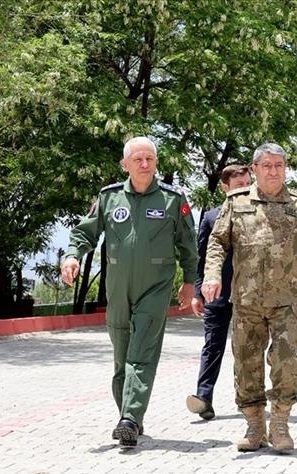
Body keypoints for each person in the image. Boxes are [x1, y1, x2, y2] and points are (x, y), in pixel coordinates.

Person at [60, 136, 198, 449]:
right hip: (118, 288)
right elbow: (85, 232)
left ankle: (130, 418)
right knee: (122, 358)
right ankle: (130, 414)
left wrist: (190, 281)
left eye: (150, 159)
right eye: (138, 159)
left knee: (142, 352)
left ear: (156, 162)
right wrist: (72, 256)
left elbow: (188, 244)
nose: (145, 164)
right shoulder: (109, 197)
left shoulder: (173, 199)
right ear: (126, 164)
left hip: (155, 287)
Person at [202, 143, 297, 453]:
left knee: (286, 362)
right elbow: (217, 242)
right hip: (247, 300)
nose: (273, 171)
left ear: (285, 168)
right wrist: (212, 275)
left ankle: (280, 423)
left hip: (287, 301)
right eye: (267, 165)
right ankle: (254, 424)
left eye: (278, 165)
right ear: (254, 169)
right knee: (246, 363)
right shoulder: (236, 202)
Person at [186, 164, 252, 420]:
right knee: (213, 345)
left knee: (247, 349)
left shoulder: (260, 214)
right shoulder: (211, 217)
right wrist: (197, 292)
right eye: (239, 185)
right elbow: (201, 258)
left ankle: (247, 398)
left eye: (248, 184)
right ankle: (204, 398)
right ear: (225, 188)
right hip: (217, 295)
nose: (244, 189)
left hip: (250, 295)